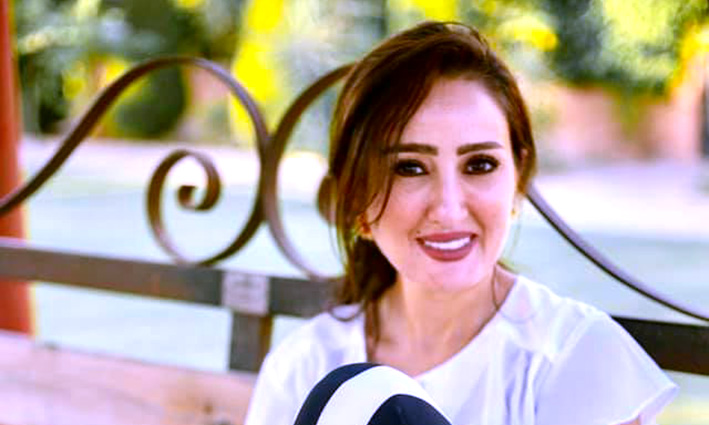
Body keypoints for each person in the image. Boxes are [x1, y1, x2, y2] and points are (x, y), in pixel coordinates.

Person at [244, 21, 677, 425]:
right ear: (358, 200)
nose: (449, 209)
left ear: (517, 181)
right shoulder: (306, 365)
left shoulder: (576, 357)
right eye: (410, 168)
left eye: (480, 164)